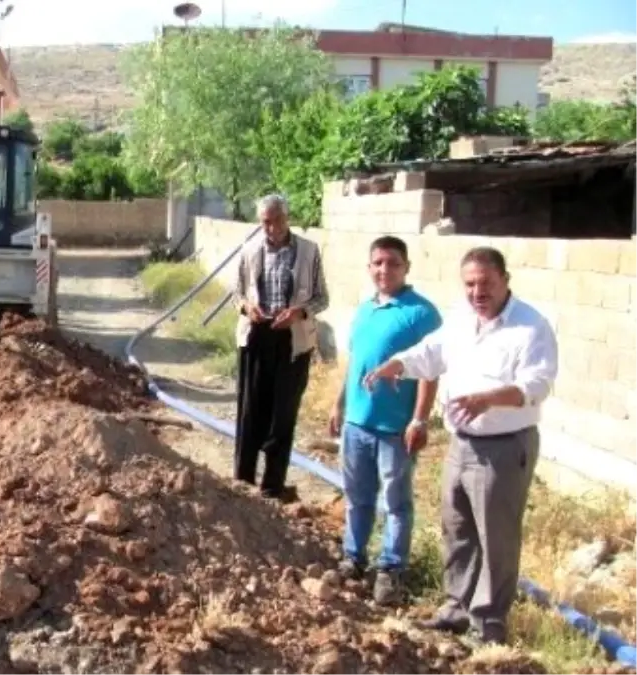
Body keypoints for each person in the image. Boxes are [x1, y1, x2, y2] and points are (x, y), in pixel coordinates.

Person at [362, 246, 558, 645]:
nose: (477, 292)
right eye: (470, 284)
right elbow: (430, 353)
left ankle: (488, 625)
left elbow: (537, 384)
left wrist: (489, 398)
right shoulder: (461, 319)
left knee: (496, 538)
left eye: (486, 283)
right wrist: (397, 364)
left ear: (505, 280)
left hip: (504, 447)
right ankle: (455, 609)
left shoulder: (530, 327)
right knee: (458, 530)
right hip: (462, 443)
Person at [328, 236, 442, 607]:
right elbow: (355, 363)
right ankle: (354, 558)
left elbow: (430, 371)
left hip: (395, 429)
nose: (384, 270)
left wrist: (419, 420)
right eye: (377, 263)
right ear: (369, 267)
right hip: (357, 424)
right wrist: (339, 405)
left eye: (393, 263)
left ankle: (391, 569)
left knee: (396, 502)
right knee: (358, 497)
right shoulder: (364, 311)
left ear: (406, 267)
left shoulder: (422, 314)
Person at [233, 194, 329, 502]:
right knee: (250, 413)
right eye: (265, 221)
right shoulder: (249, 250)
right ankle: (243, 482)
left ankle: (273, 486)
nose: (271, 227)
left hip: (293, 342)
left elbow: (321, 298)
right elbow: (237, 296)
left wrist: (299, 313)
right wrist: (247, 308)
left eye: (276, 220)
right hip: (256, 337)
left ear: (287, 218)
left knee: (282, 414)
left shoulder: (309, 251)